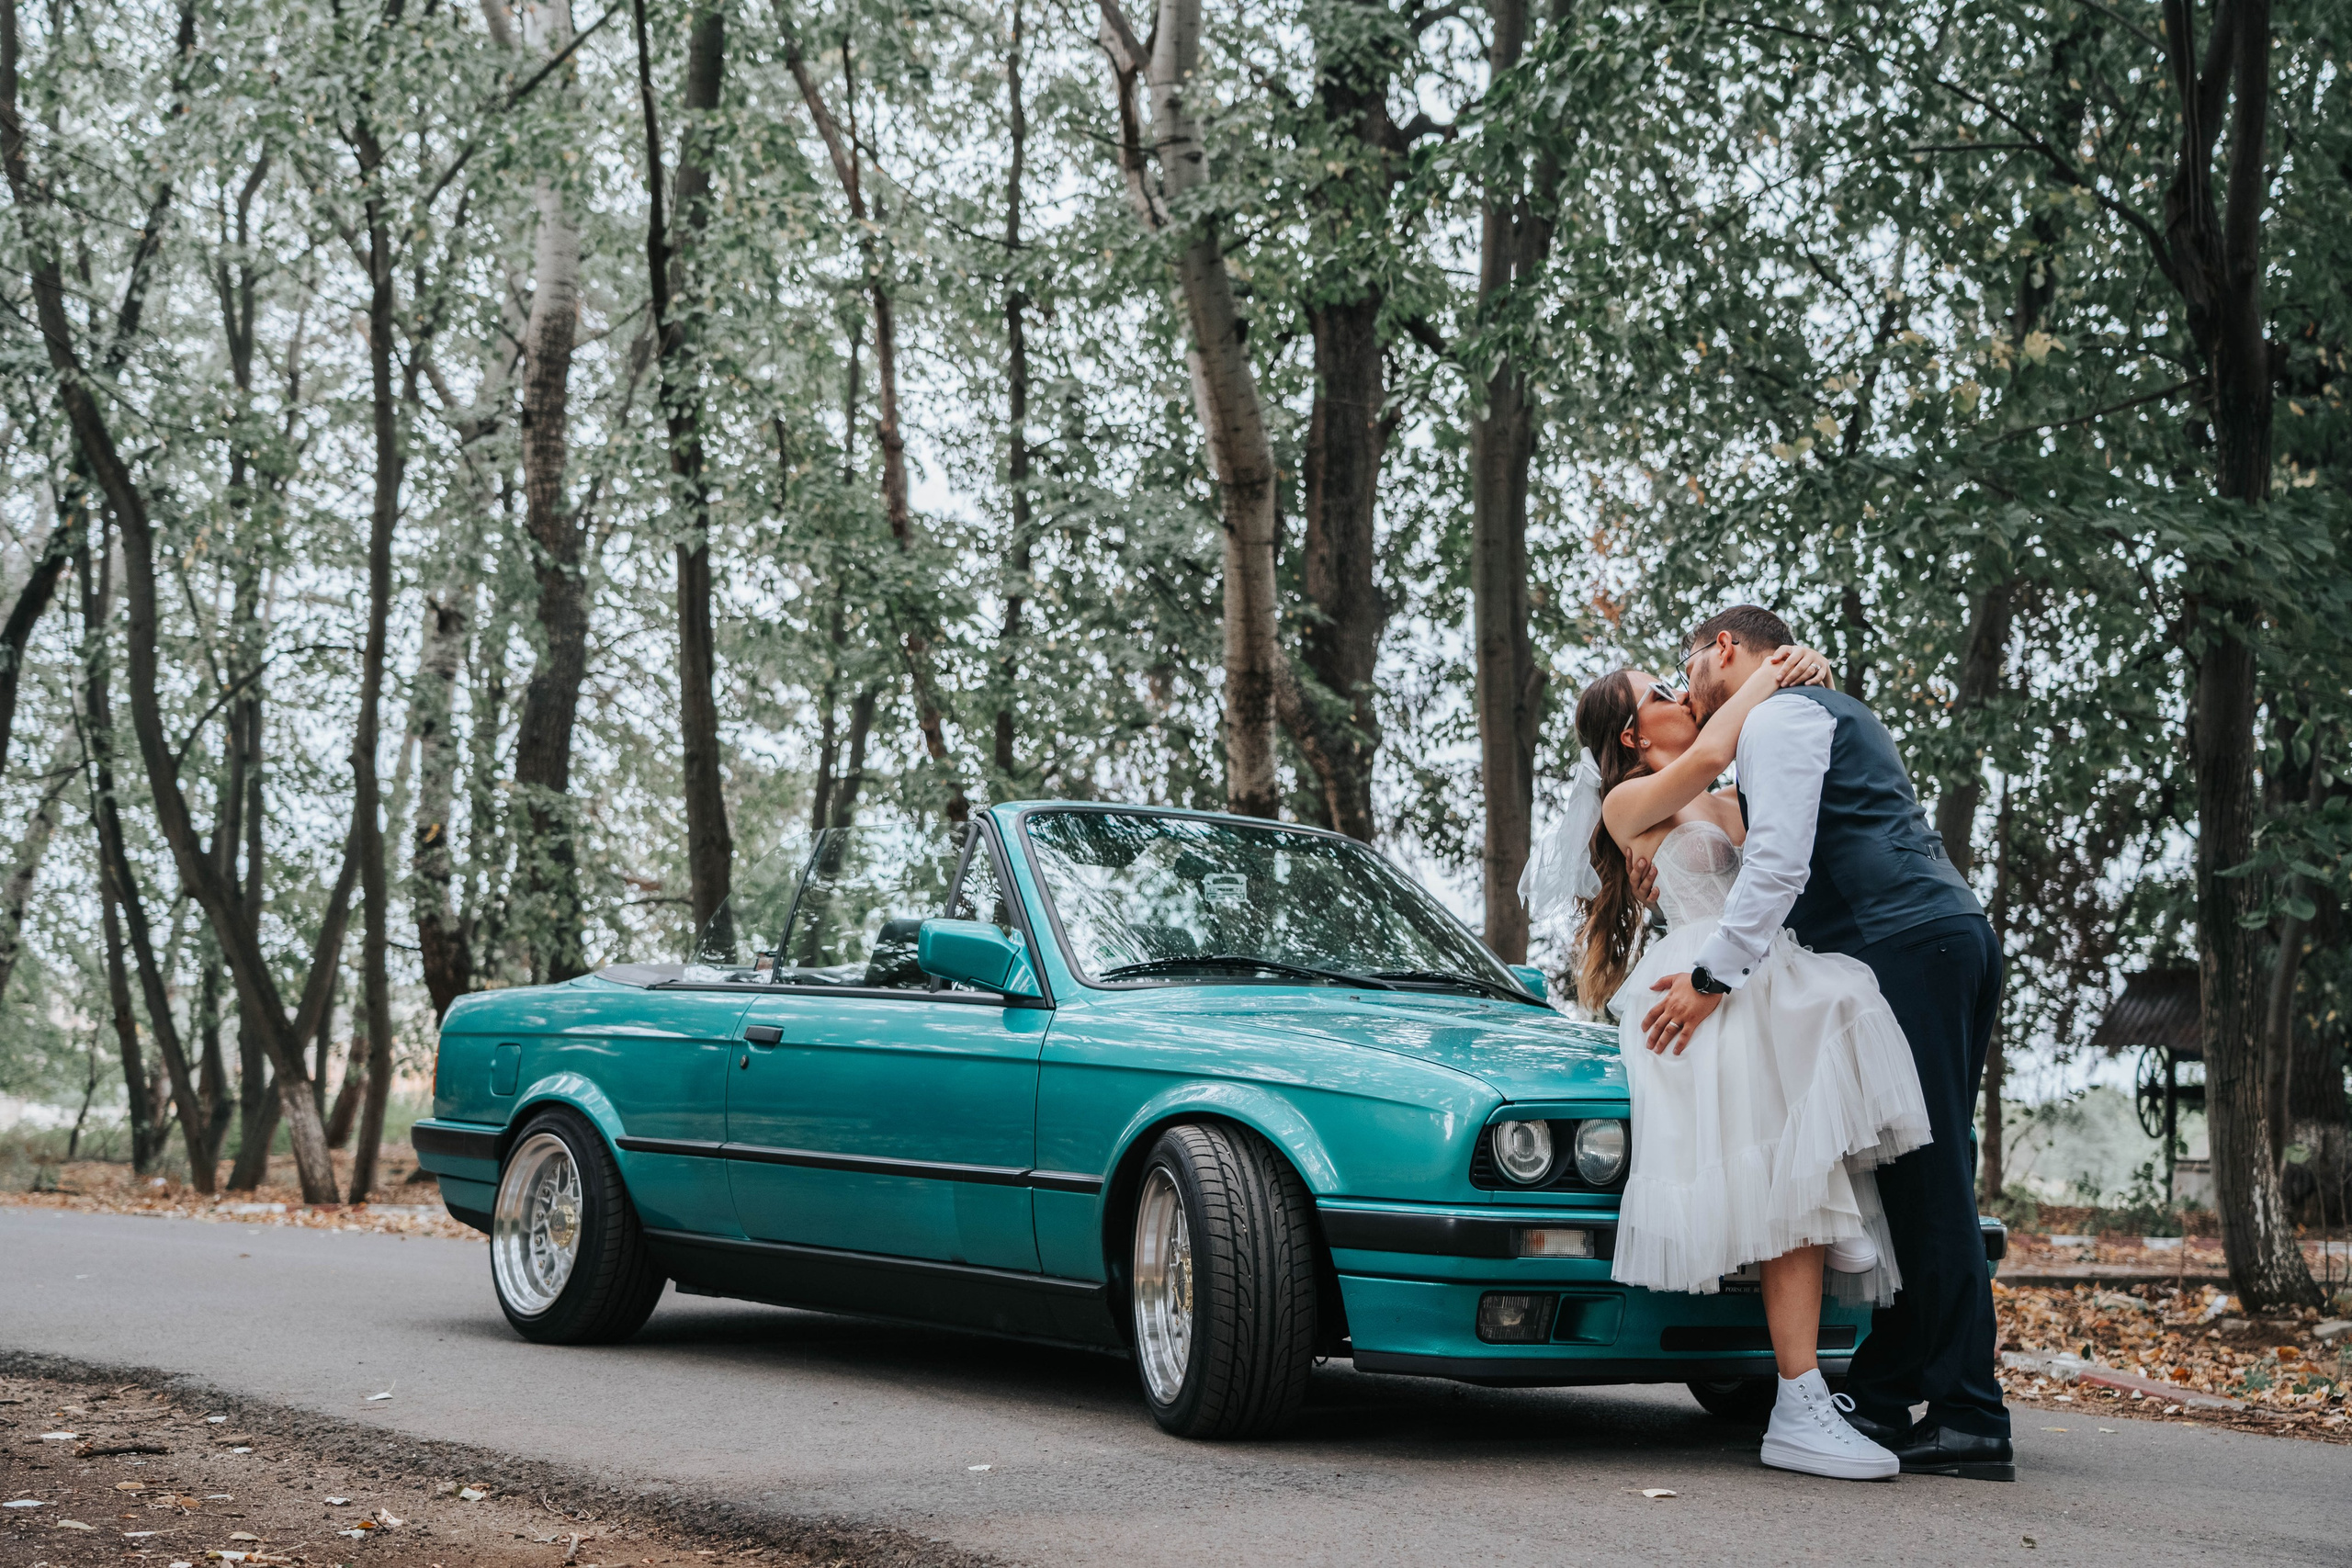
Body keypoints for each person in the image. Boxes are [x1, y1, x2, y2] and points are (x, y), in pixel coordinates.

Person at [1527, 638, 1931, 1481]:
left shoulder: (1723, 791)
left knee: (1826, 1065)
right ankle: (1800, 1399)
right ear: (1634, 733)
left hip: (1757, 967)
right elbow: (1713, 744)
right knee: (1786, 1160)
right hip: (1698, 985)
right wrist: (1770, 677)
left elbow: (1782, 838)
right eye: (1662, 690)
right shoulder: (1630, 802)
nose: (1682, 694)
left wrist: (1804, 678)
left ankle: (1805, 1389)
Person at [1638, 605, 2011, 1481]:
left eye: (1686, 663)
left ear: (1722, 649)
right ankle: (1882, 1392)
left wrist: (1710, 977)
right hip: (1937, 933)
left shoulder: (1781, 715)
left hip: (1905, 940)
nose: (1686, 682)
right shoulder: (1817, 708)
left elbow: (1779, 862)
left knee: (1932, 1185)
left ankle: (1968, 1415)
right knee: (1922, 1172)